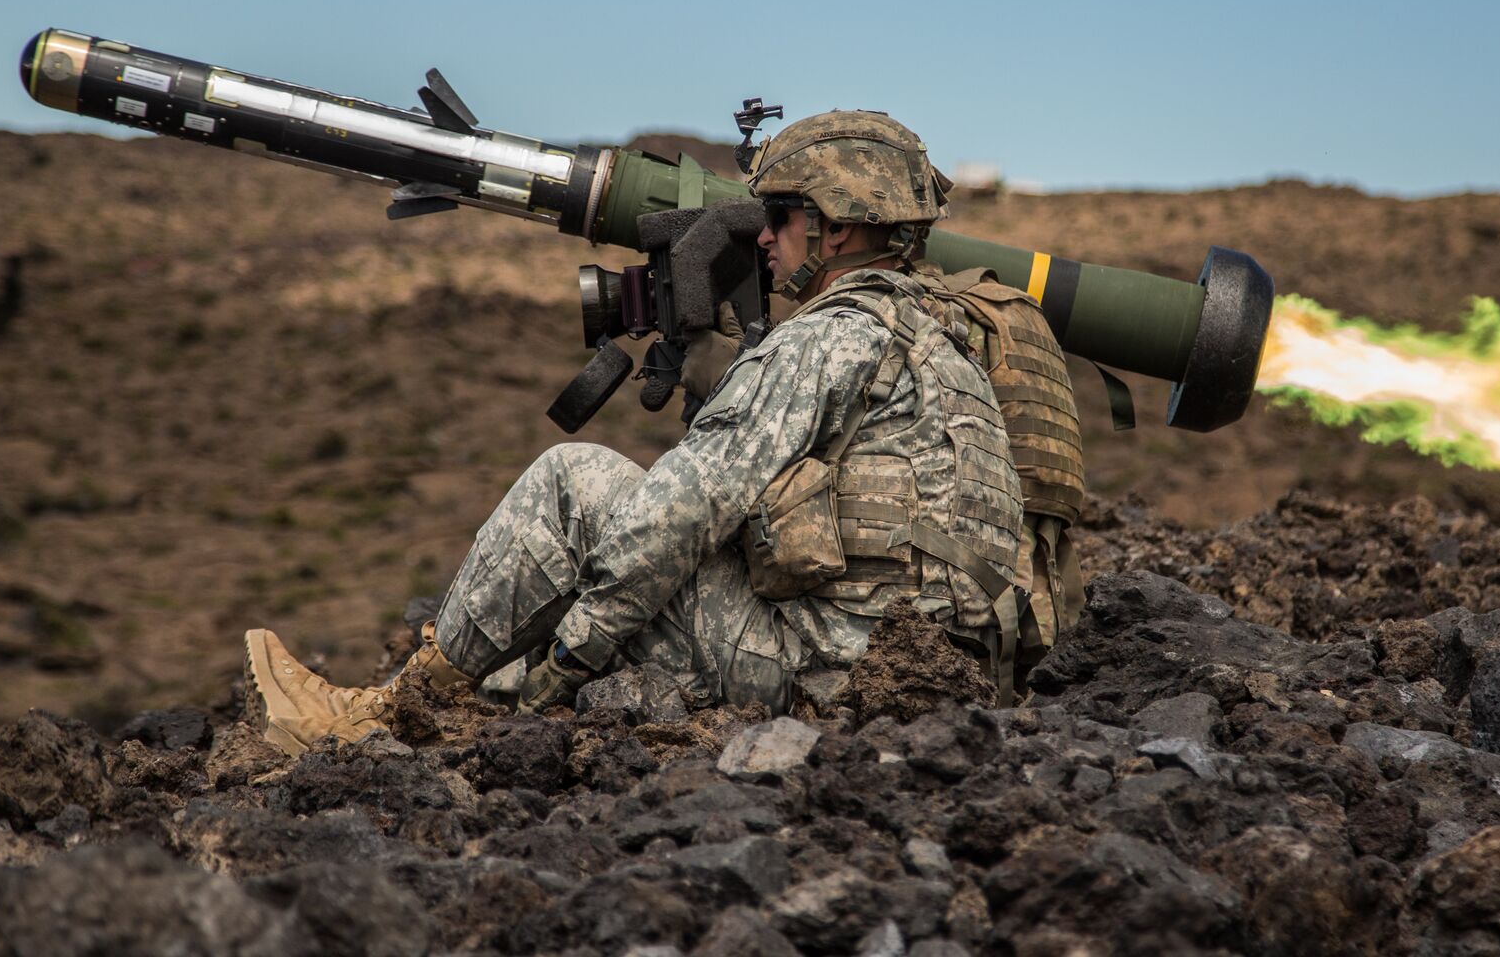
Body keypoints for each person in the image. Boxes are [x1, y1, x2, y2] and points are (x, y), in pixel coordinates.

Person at [243, 111, 1029, 757]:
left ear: (840, 231)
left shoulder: (827, 339)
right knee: (642, 572)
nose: (762, 238)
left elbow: (677, 512)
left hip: (830, 681)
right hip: (944, 687)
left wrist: (569, 657)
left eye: (781, 217)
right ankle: (478, 691)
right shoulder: (947, 345)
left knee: (576, 483)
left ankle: (383, 716)